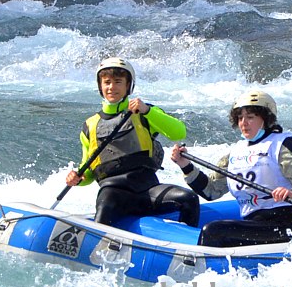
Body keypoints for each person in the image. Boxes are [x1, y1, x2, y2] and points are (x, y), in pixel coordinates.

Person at [170, 90, 292, 247]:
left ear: (265, 119)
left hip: (282, 227)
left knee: (213, 230)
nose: (243, 123)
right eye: (240, 118)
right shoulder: (235, 152)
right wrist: (185, 165)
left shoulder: (281, 146)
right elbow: (211, 191)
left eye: (250, 117)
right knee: (216, 230)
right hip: (253, 225)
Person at [65, 57, 200, 227]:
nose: (111, 87)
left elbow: (178, 132)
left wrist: (147, 111)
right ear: (100, 86)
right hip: (113, 192)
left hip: (147, 189)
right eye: (106, 82)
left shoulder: (144, 111)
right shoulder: (89, 126)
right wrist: (77, 178)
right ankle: (98, 248)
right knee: (106, 203)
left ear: (129, 85)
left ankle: (185, 250)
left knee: (189, 199)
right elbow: (89, 173)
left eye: (118, 82)